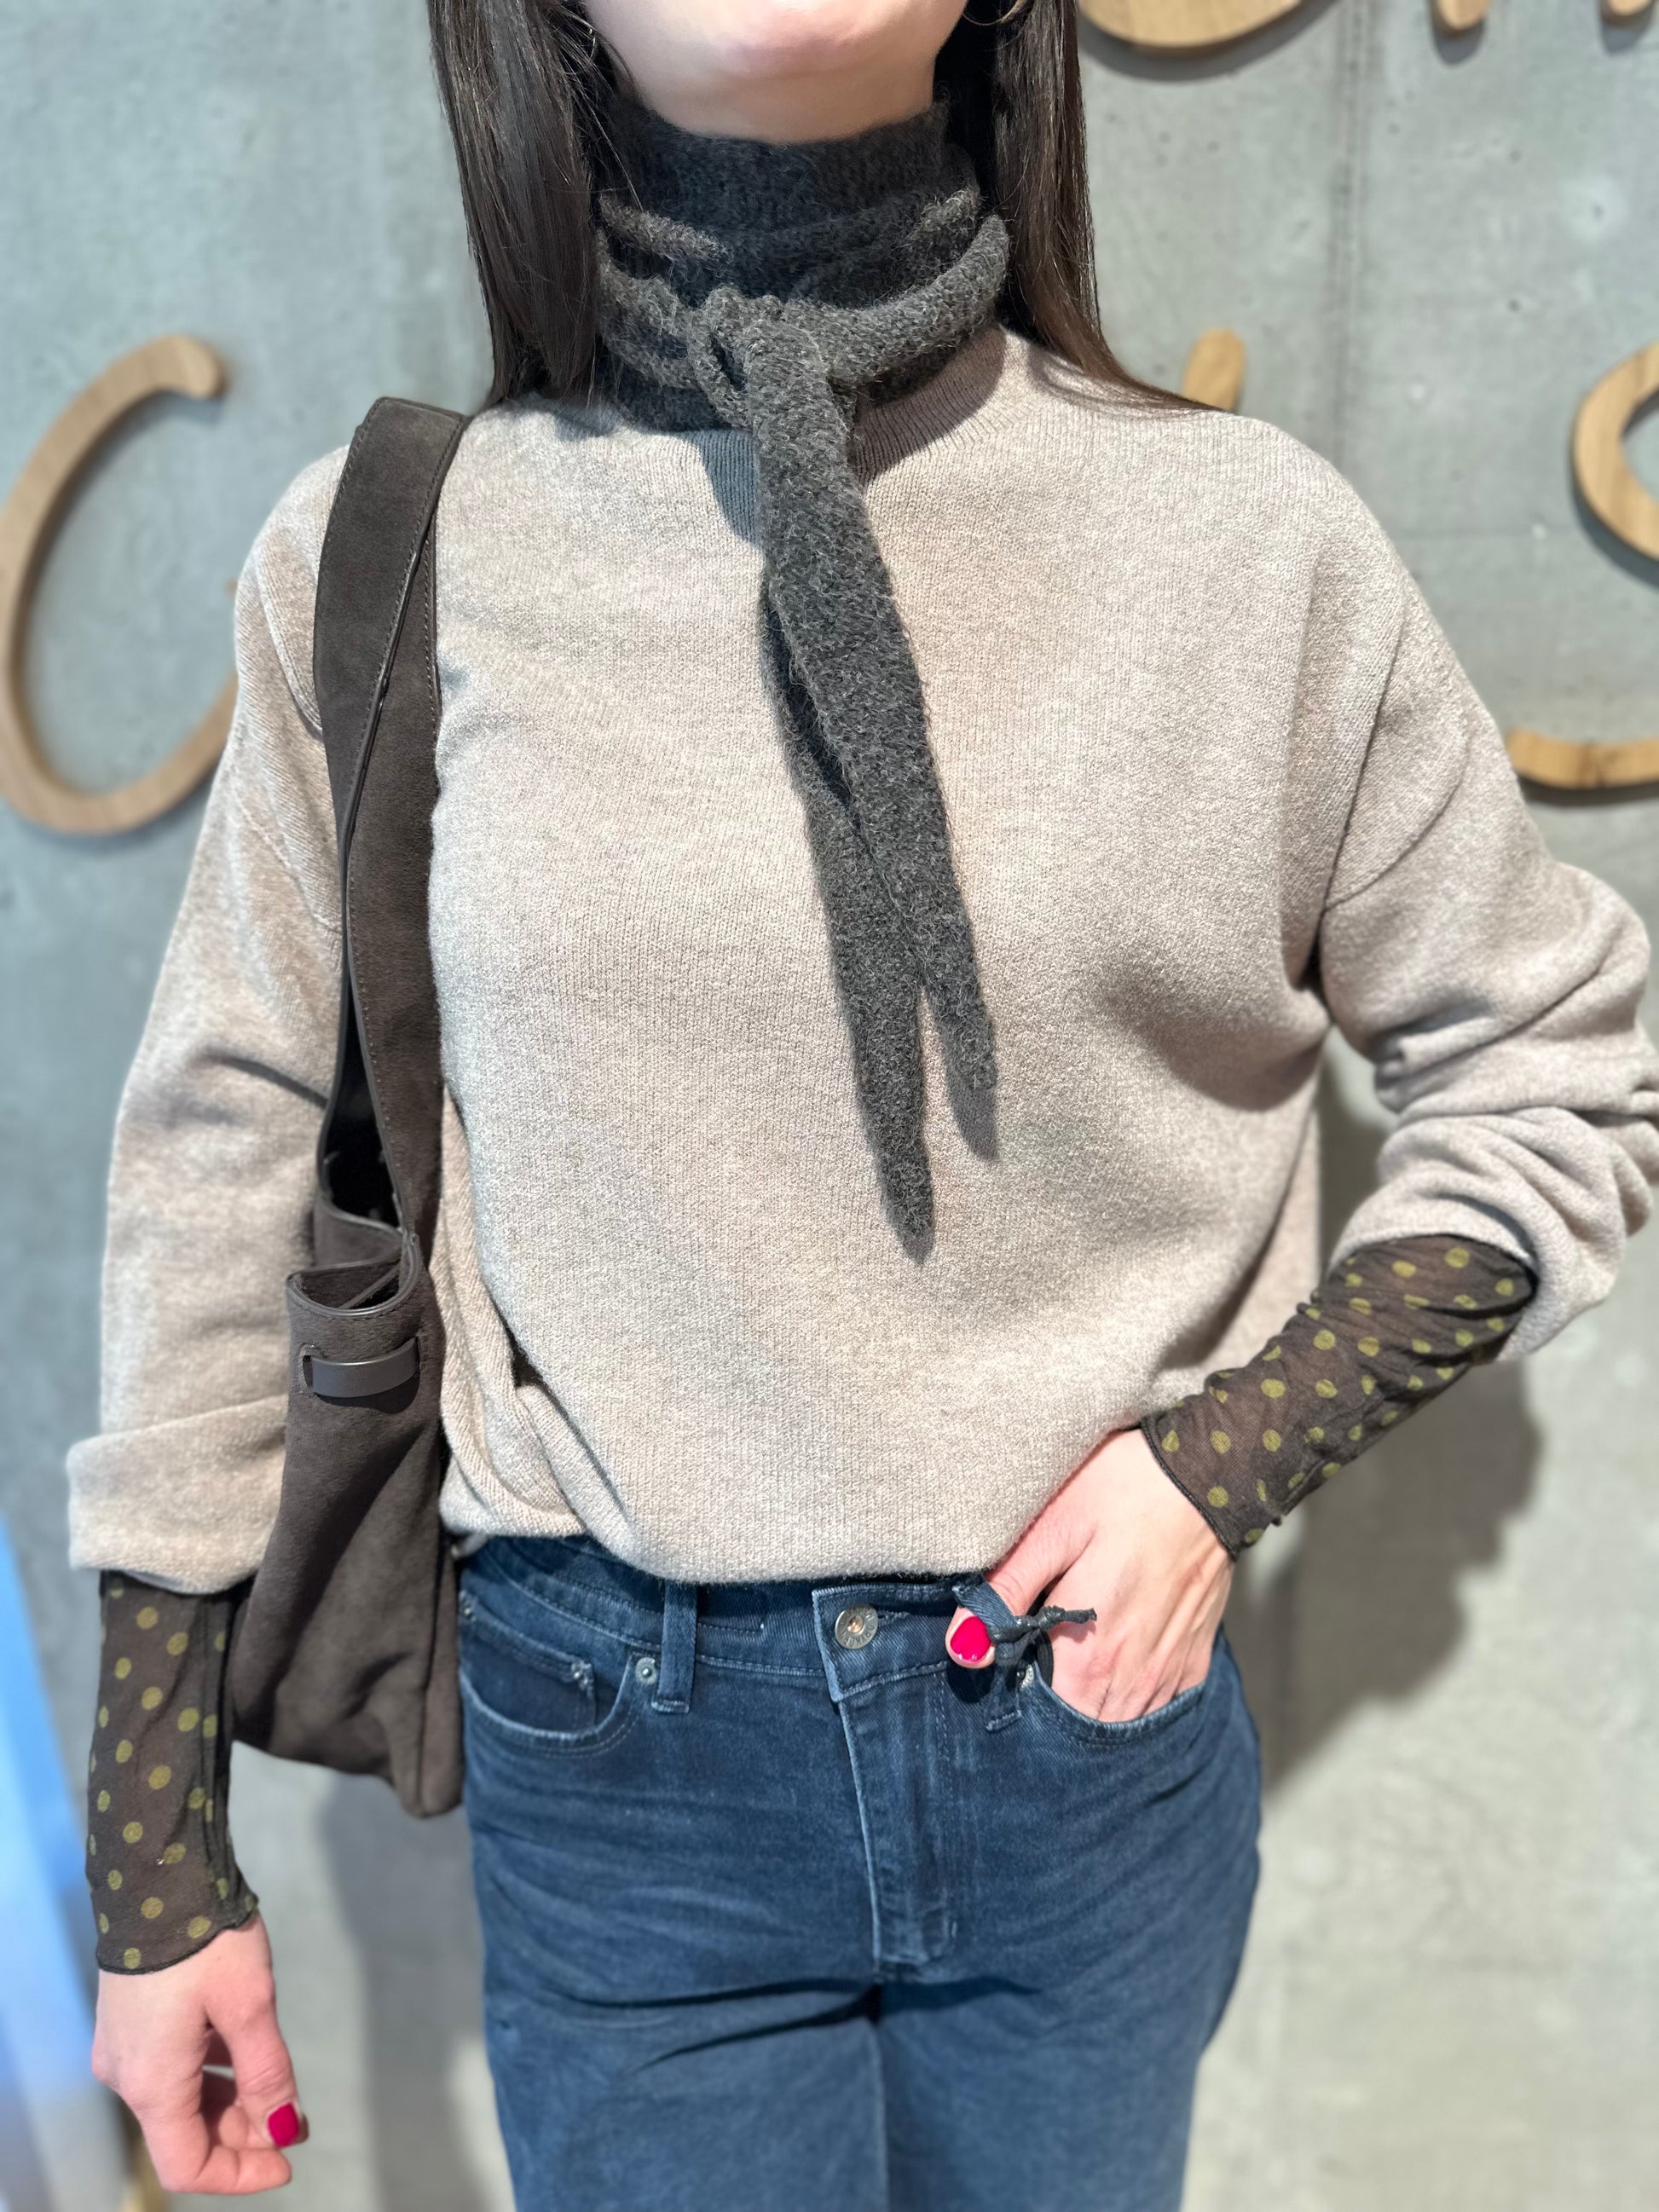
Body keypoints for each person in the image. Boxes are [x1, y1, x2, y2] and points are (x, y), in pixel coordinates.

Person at [72, 1, 1659, 2205]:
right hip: (616, 1762)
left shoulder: (1246, 547)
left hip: (1082, 1750)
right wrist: (153, 1854)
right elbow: (224, 1159)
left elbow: (1558, 1066)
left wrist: (1226, 1464)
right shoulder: (393, 553)